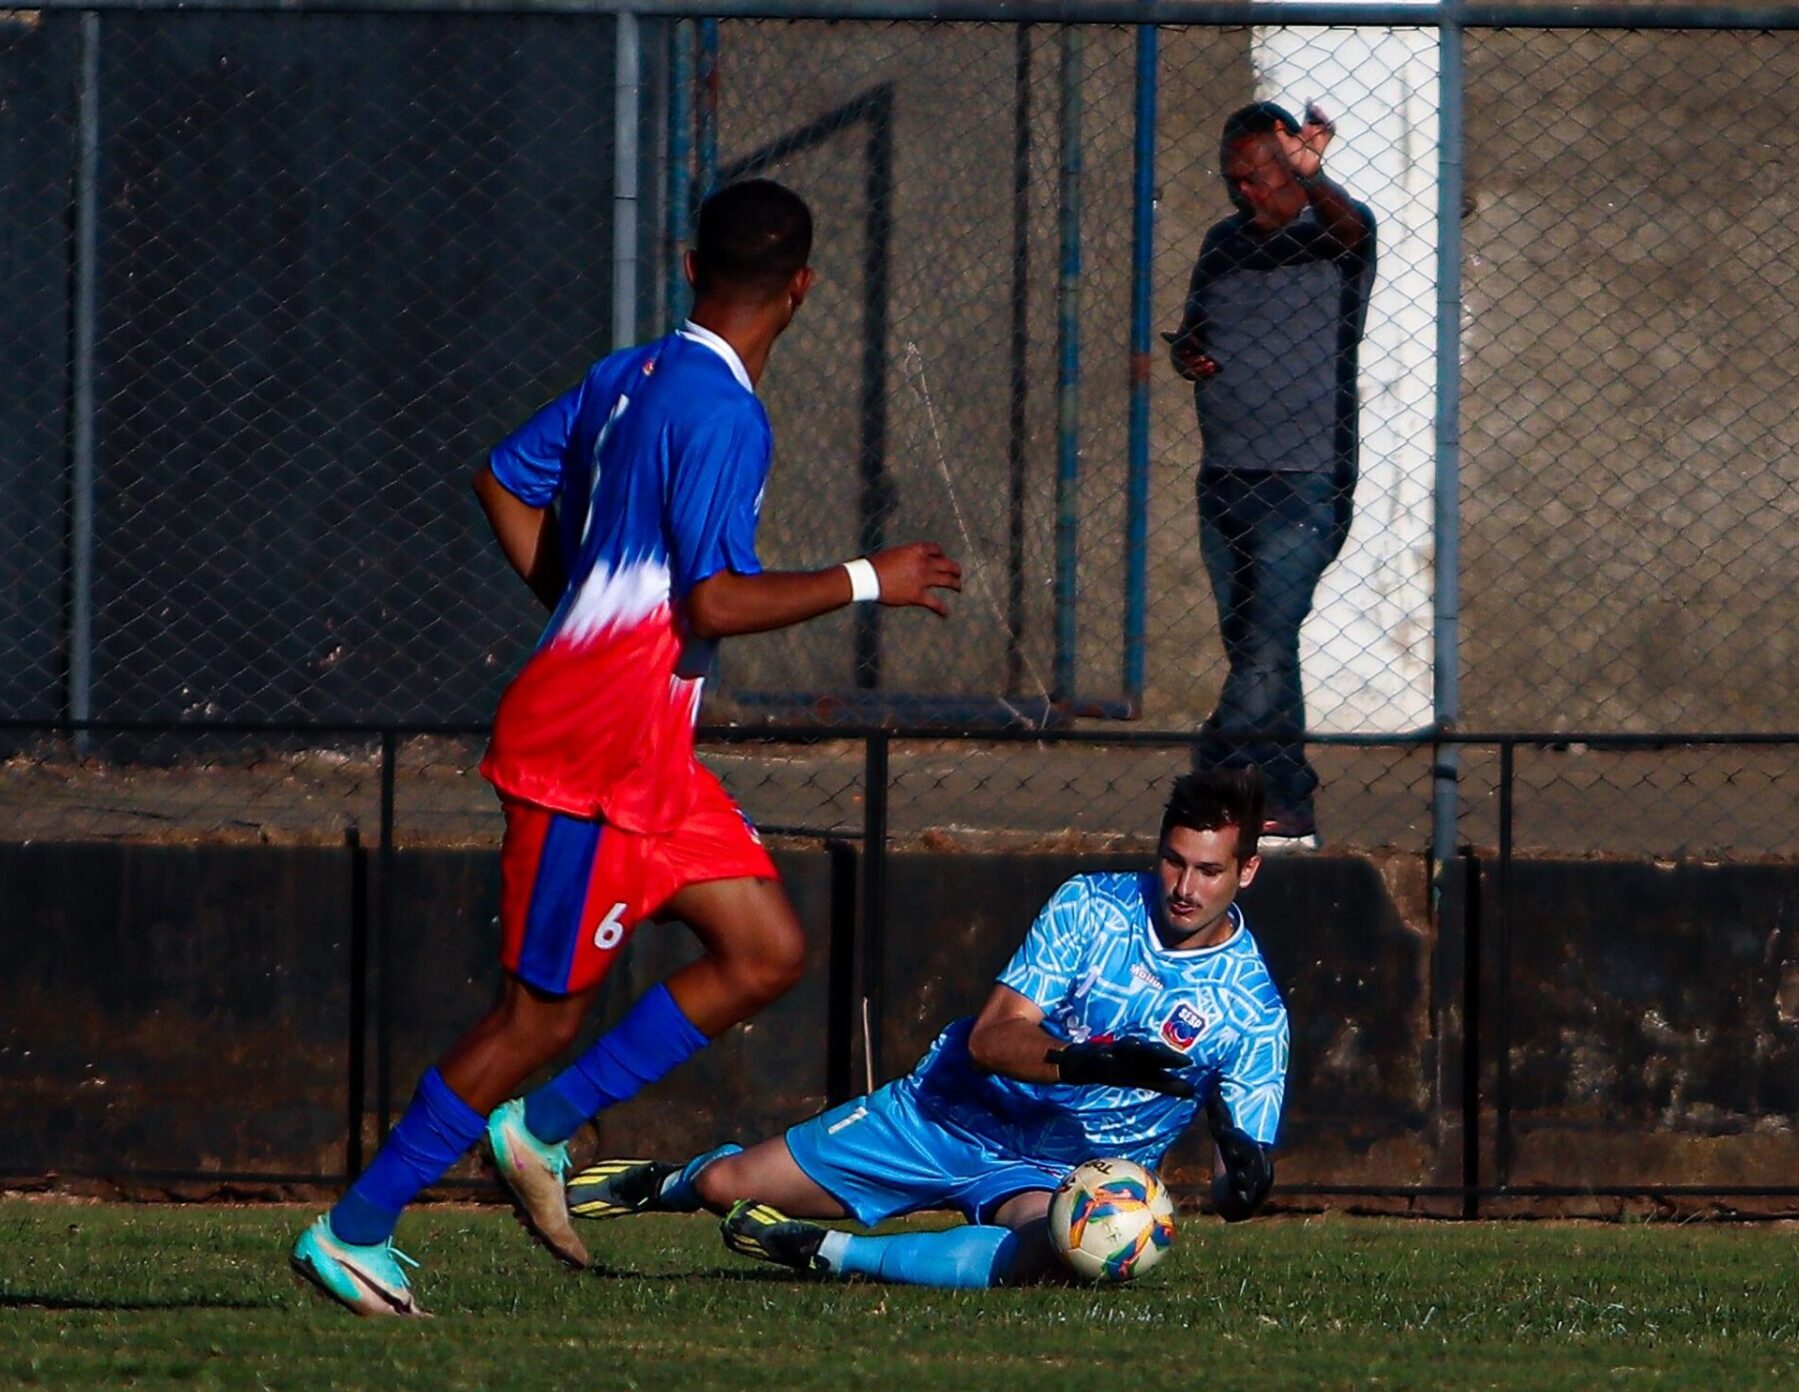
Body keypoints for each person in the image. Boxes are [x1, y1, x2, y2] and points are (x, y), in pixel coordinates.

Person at [293, 178, 964, 1316]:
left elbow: (503, 477)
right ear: (801, 288)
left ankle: (540, 1129)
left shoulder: (630, 373)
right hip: (587, 760)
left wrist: (580, 607)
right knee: (536, 1017)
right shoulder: (724, 413)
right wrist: (870, 578)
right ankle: (352, 1230)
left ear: (692, 266)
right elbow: (712, 601)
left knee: (764, 948)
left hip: (643, 751)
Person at [561, 769, 1288, 1290]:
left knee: (1061, 1245)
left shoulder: (1253, 1014)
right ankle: (679, 1181)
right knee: (730, 1185)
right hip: (946, 1111)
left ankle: (828, 1252)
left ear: (1246, 872)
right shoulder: (1091, 907)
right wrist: (1091, 1062)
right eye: (1172, 860)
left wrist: (1243, 1188)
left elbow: (1233, 1181)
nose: (1185, 888)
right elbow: (992, 1038)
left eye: (1209, 871)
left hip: (1058, 1173)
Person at [1168, 101, 1377, 851]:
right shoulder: (1222, 243)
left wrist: (1313, 180)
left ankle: (1209, 768)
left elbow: (1352, 229)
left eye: (1258, 178)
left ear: (1289, 165)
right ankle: (1286, 798)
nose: (1245, 195)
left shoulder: (1334, 236)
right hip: (1224, 474)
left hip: (1305, 479)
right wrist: (1189, 354)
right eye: (1235, 182)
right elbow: (1193, 330)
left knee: (1261, 646)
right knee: (1261, 643)